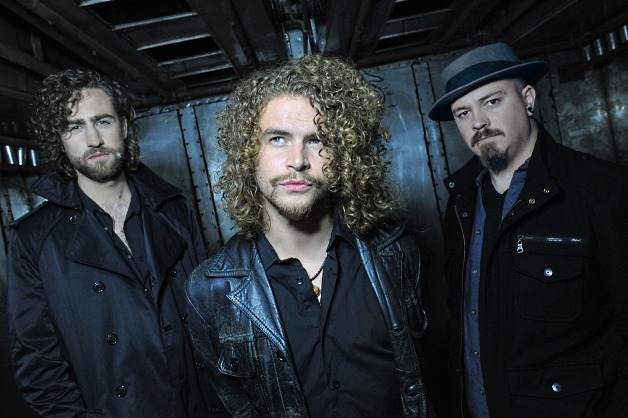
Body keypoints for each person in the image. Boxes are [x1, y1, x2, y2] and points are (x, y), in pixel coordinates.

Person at [185, 53, 432, 417]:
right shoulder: (210, 290)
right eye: (278, 139)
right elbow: (233, 407)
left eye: (318, 140)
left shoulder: (395, 250)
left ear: (344, 154)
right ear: (248, 154)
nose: (298, 160)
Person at [7, 68, 225, 417]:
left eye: (102, 121)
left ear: (123, 126)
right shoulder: (34, 238)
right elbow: (39, 367)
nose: (93, 139)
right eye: (75, 127)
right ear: (60, 141)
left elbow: (211, 319)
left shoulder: (173, 210)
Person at [428, 42, 628, 417]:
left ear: (528, 99)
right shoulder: (460, 203)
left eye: (492, 101)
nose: (478, 123)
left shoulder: (600, 192)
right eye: (463, 113)